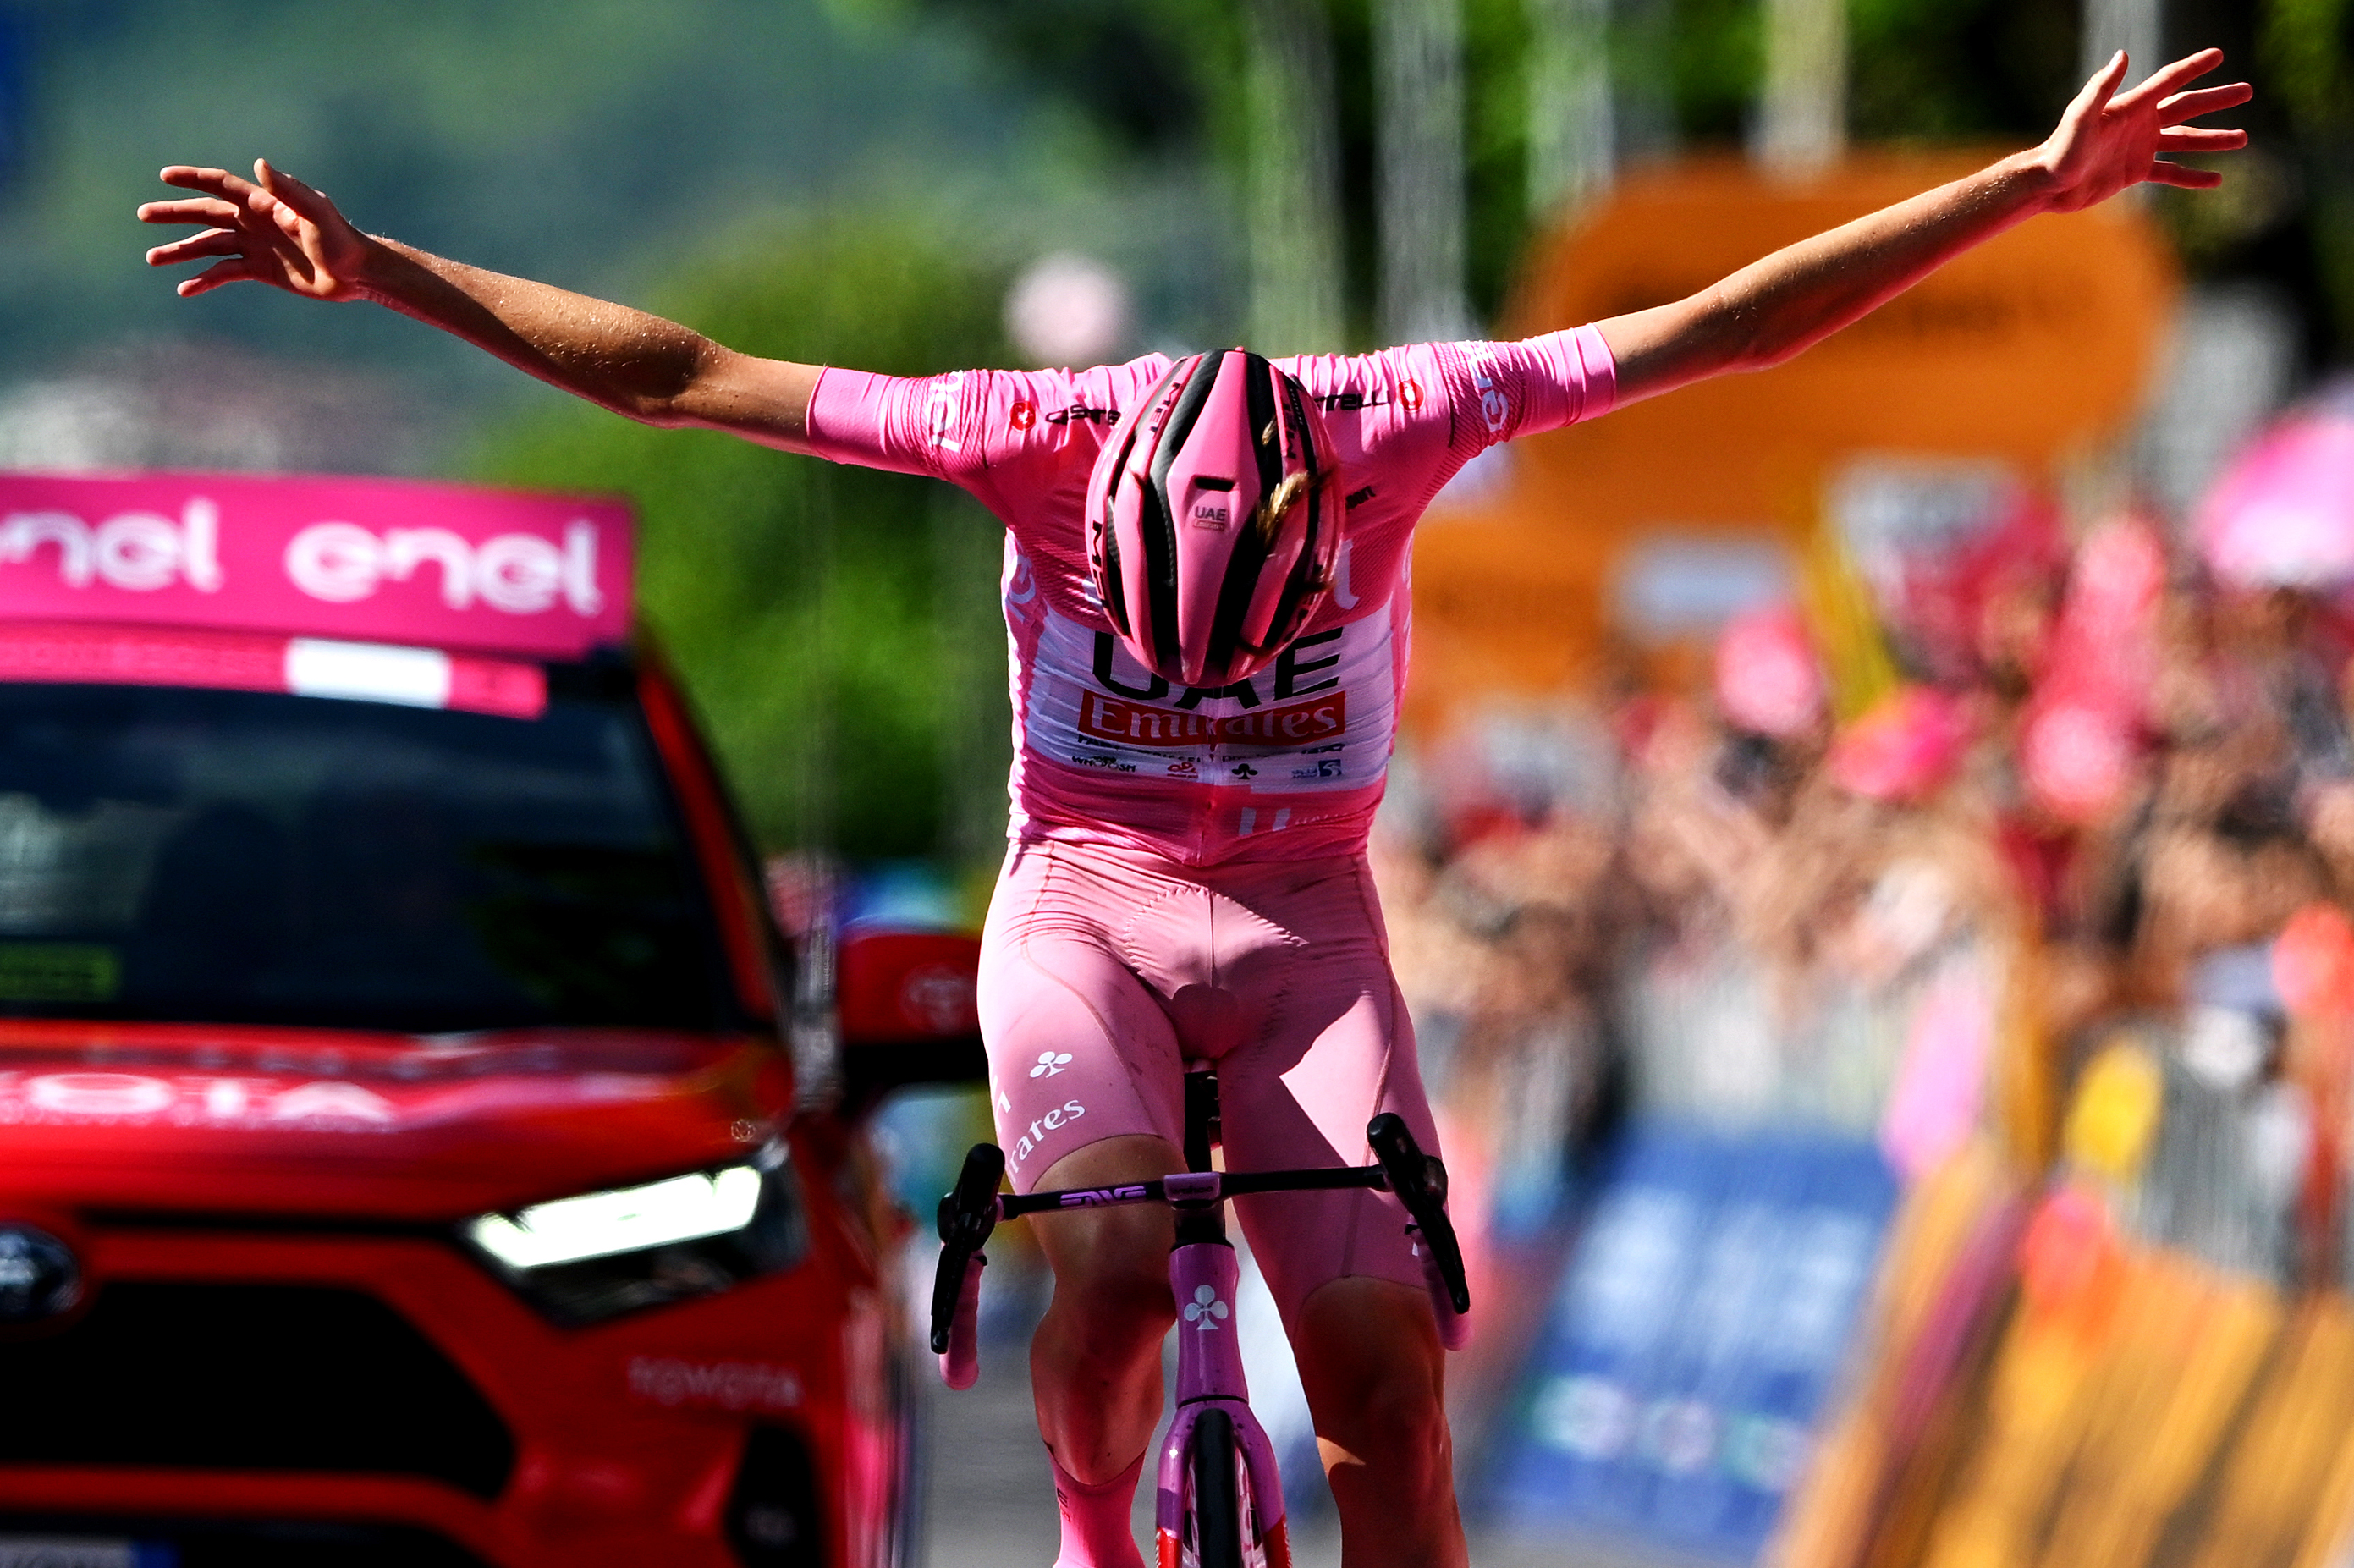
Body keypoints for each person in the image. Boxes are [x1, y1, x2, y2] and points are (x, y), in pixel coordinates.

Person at [139, 47, 2247, 1568]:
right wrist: (383, 271)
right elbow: (682, 376)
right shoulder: (1019, 431)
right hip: (1088, 905)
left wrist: (2016, 186)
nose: (1219, 688)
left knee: (1385, 1398)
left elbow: (1715, 330)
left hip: (1311, 927)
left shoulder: (1401, 420)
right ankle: (1087, 1532)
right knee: (1124, 1270)